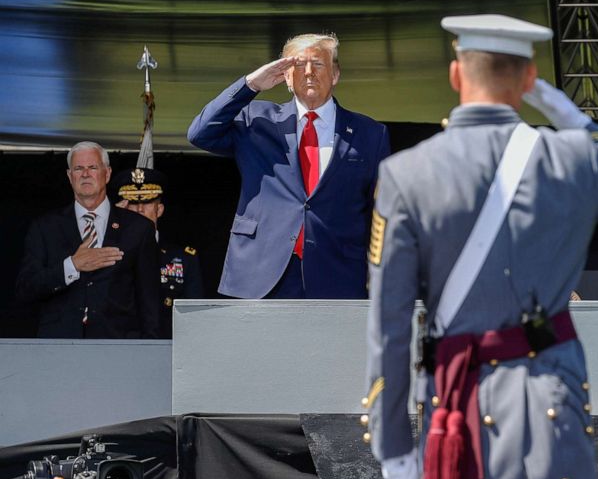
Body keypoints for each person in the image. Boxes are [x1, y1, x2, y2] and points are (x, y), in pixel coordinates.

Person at [362, 15, 598, 479]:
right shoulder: (572, 156)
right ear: (530, 79)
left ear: (454, 75)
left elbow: (389, 321)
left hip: (458, 412)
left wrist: (394, 438)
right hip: (548, 410)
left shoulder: (406, 173)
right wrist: (575, 120)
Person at [187, 32, 390, 299]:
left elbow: (382, 212)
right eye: (297, 65)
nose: (308, 73)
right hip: (261, 274)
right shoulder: (257, 120)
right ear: (285, 76)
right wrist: (250, 85)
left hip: (338, 275)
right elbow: (200, 133)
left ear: (335, 74)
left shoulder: (370, 133)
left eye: (317, 64)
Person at [16, 142, 159, 338]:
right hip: (60, 347)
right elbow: (26, 288)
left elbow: (149, 300)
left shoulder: (138, 228)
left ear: (107, 174)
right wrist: (72, 266)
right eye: (78, 168)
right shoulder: (45, 228)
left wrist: (150, 352)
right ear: (69, 176)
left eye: (92, 167)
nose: (85, 174)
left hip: (119, 346)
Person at [115, 167, 204, 338]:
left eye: (147, 202)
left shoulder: (184, 258)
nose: (140, 209)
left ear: (160, 209)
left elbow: (194, 316)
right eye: (132, 203)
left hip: (168, 347)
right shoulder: (110, 251)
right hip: (120, 346)